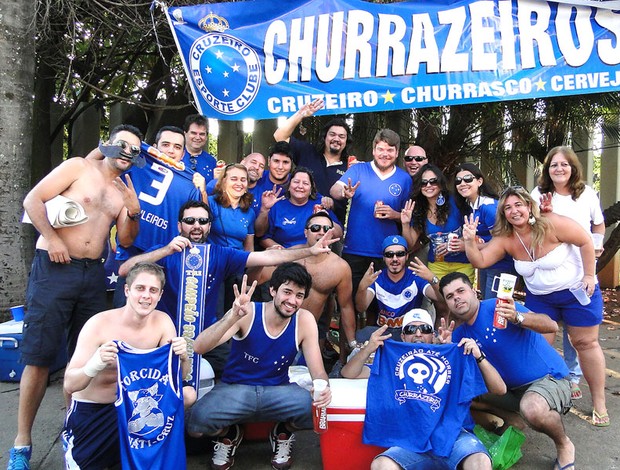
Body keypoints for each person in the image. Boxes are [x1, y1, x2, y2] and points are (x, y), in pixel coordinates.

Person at [8, 125, 143, 469]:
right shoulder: (78, 167)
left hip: (92, 274)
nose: (128, 152)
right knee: (38, 355)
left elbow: (126, 241)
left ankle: (72, 429)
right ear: (109, 143)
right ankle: (22, 443)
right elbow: (32, 200)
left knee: (85, 357)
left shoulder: (122, 190)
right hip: (54, 268)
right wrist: (53, 239)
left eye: (135, 149)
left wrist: (133, 211)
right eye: (123, 144)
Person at [462, 186, 608, 428]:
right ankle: (541, 397)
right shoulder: (506, 238)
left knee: (585, 343)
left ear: (529, 206)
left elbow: (585, 240)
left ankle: (599, 403)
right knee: (535, 345)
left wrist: (590, 275)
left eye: (518, 204)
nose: (513, 211)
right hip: (541, 297)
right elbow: (480, 260)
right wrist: (469, 241)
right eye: (507, 207)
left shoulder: (550, 222)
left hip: (575, 290)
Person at [186, 266, 332, 470]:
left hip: (278, 391)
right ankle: (229, 434)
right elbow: (199, 346)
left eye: (299, 295)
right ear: (273, 290)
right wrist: (232, 316)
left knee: (322, 412)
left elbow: (318, 371)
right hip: (236, 388)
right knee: (195, 424)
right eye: (287, 292)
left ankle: (282, 431)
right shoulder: (249, 311)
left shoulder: (304, 320)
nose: (292, 301)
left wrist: (323, 388)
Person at [440, 272, 575, 469]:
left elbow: (551, 325)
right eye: (450, 296)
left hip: (548, 379)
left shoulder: (499, 306)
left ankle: (564, 444)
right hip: (508, 392)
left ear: (473, 291)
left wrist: (518, 317)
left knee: (533, 408)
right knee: (458, 393)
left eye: (460, 291)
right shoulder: (458, 334)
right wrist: (444, 348)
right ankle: (510, 420)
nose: (456, 298)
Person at [62, 262, 190, 469]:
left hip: (136, 411)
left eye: (153, 290)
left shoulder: (163, 322)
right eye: (140, 288)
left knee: (189, 394)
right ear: (127, 290)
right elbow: (69, 384)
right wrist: (95, 364)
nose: (146, 296)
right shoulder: (99, 324)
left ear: (160, 295)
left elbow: (179, 379)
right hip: (95, 410)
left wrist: (183, 357)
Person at [341, 308, 504, 470]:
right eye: (411, 329)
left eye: (425, 329)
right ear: (403, 336)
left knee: (480, 462)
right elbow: (348, 373)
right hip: (410, 442)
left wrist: (477, 355)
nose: (418, 334)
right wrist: (368, 349)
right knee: (381, 465)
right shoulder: (392, 362)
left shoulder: (454, 356)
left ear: (433, 336)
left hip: (454, 438)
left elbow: (500, 389)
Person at [532, 146, 606, 401]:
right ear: (547, 170)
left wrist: (597, 242)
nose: (559, 169)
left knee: (584, 341)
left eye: (564, 164)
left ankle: (596, 400)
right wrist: (545, 214)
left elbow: (598, 223)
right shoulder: (538, 193)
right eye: (554, 165)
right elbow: (531, 228)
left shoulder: (586, 194)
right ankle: (557, 381)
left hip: (580, 280)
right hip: (545, 284)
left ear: (573, 167)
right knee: (541, 341)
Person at [247, 212, 357, 356]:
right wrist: (262, 261)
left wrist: (352, 344)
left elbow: (346, 307)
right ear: (306, 232)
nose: (321, 232)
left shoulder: (340, 267)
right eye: (316, 228)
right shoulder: (289, 256)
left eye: (326, 229)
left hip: (307, 335)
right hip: (277, 331)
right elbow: (253, 280)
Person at [329, 129, 412, 297]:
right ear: (374, 150)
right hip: (354, 249)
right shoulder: (359, 169)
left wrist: (394, 214)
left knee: (380, 305)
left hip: (387, 253)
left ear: (396, 153)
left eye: (390, 150)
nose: (385, 154)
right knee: (348, 301)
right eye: (381, 149)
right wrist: (344, 192)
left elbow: (407, 217)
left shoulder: (404, 179)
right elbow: (334, 190)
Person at [274, 98, 352, 224]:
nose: (336, 139)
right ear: (325, 137)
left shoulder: (351, 166)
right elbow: (279, 136)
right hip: (297, 224)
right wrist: (301, 115)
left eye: (341, 136)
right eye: (332, 134)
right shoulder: (307, 152)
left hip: (332, 229)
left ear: (346, 141)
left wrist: (333, 204)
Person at [355, 235, 446, 340]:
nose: (395, 259)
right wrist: (362, 287)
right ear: (383, 257)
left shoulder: (415, 276)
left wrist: (432, 278)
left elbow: (441, 298)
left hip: (410, 333)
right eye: (389, 255)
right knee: (361, 336)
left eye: (400, 254)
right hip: (383, 333)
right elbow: (361, 307)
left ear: (407, 256)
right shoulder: (376, 277)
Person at [401, 164, 473, 283]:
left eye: (433, 181)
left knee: (462, 298)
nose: (428, 185)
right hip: (437, 264)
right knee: (439, 300)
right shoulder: (419, 209)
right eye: (424, 183)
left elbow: (474, 230)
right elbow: (409, 244)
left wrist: (457, 244)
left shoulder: (455, 201)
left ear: (440, 183)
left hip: (463, 262)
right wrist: (405, 224)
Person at [453, 162, 515, 299]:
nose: (462, 183)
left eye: (468, 179)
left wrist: (467, 246)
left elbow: (503, 244)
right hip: (485, 263)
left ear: (479, 181)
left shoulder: (489, 208)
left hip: (502, 267)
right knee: (487, 304)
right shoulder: (470, 207)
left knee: (497, 308)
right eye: (458, 181)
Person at [257, 167, 342, 248]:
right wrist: (284, 253)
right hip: (285, 257)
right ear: (289, 186)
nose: (300, 186)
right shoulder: (277, 206)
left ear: (311, 189)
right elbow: (263, 237)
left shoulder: (320, 204)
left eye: (305, 183)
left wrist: (324, 215)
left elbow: (338, 234)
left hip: (314, 255)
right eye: (296, 182)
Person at [182, 114, 216, 184]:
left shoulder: (212, 161)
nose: (197, 137)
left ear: (206, 137)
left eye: (202, 134)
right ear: (185, 134)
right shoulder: (175, 156)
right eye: (193, 133)